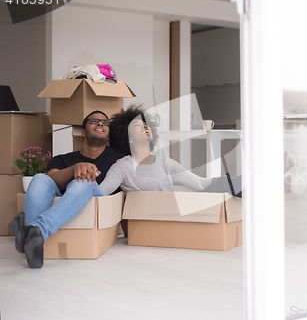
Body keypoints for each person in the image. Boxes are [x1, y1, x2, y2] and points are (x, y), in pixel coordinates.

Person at [9, 111, 126, 269]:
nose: (100, 124)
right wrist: (74, 169)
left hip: (99, 200)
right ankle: (36, 248)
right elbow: (52, 179)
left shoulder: (120, 157)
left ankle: (36, 230)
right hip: (68, 203)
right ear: (82, 132)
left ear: (109, 135)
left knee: (84, 182)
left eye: (105, 123)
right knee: (39, 178)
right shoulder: (62, 159)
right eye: (94, 121)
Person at [99, 105, 240, 196]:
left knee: (230, 183)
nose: (145, 127)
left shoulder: (165, 163)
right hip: (144, 221)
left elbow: (199, 183)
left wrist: (221, 180)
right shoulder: (123, 167)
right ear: (128, 138)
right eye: (137, 125)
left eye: (146, 124)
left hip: (170, 216)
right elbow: (100, 193)